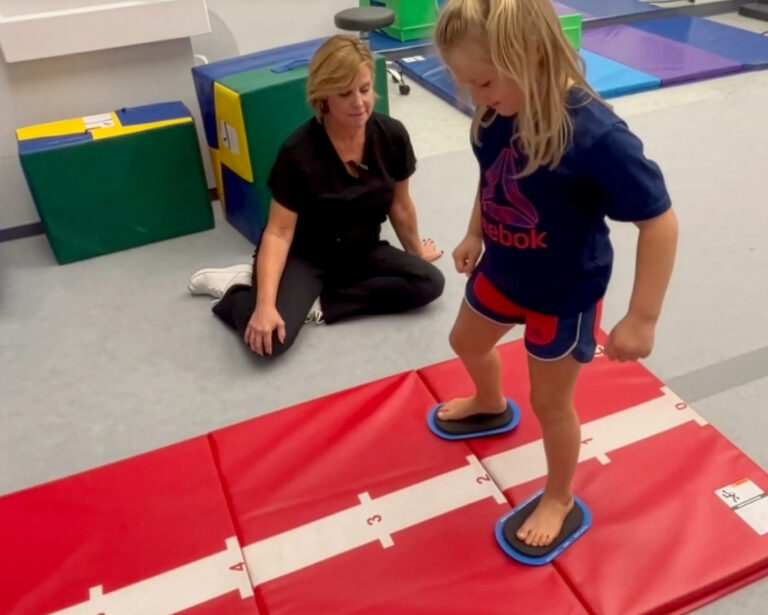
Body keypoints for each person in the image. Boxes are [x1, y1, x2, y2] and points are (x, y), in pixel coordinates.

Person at [427, 0, 678, 561]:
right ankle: (489, 400)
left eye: (484, 80)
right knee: (464, 341)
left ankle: (560, 497)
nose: (476, 95)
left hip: (564, 292)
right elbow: (492, 179)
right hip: (504, 268)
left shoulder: (597, 136)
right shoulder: (495, 113)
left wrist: (642, 319)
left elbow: (659, 221)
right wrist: (474, 233)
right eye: (467, 83)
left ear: (530, 55)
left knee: (550, 402)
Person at [189, 35, 444, 358]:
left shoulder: (391, 135)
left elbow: (400, 205)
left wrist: (414, 254)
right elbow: (279, 233)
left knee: (429, 283)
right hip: (306, 256)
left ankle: (321, 304)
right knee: (272, 343)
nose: (359, 103)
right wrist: (265, 306)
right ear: (323, 97)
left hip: (362, 250)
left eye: (364, 89)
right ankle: (238, 293)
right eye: (344, 93)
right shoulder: (299, 152)